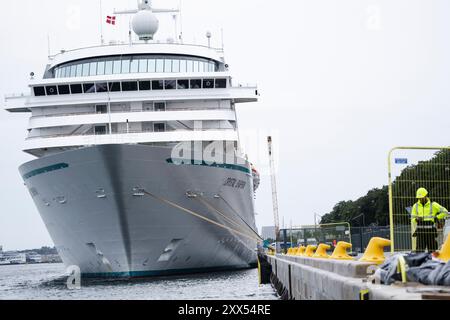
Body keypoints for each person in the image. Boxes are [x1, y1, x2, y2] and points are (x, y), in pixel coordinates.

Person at [411, 188, 449, 252]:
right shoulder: (415, 206)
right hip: (420, 232)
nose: (420, 199)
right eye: (419, 198)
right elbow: (412, 218)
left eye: (422, 197)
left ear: (426, 196)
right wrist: (416, 219)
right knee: (419, 252)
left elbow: (445, 212)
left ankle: (432, 261)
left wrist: (436, 217)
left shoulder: (433, 205)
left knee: (432, 251)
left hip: (430, 231)